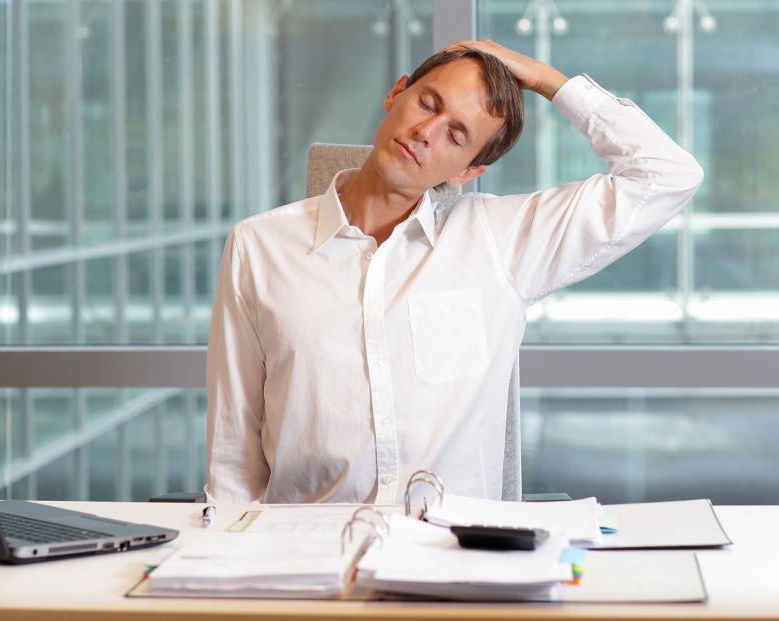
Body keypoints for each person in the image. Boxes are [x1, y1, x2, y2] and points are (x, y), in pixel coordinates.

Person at [204, 40, 703, 504]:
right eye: (428, 103)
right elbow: (234, 450)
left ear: (468, 171)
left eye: (457, 134)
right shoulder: (259, 246)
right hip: (305, 563)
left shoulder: (503, 240)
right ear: (396, 93)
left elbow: (668, 175)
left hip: (453, 561)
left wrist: (548, 80)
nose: (426, 132)